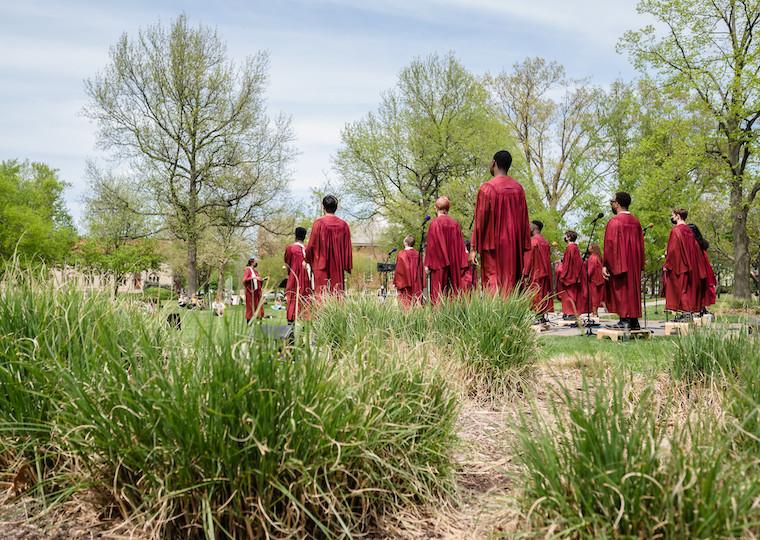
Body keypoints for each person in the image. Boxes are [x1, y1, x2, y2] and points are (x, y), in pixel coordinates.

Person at [470, 150, 531, 296]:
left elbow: (480, 220)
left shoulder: (487, 188)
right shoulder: (518, 189)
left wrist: (474, 247)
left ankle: (496, 318)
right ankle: (511, 317)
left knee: (493, 283)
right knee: (511, 283)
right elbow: (524, 221)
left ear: (494, 163)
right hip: (513, 247)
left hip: (493, 247)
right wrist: (523, 248)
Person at [602, 192, 645, 330]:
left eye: (612, 201)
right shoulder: (636, 222)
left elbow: (610, 245)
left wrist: (605, 265)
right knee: (632, 290)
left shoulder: (615, 221)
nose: (611, 204)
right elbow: (641, 246)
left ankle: (624, 320)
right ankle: (634, 321)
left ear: (618, 203)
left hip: (620, 263)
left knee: (622, 290)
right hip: (634, 264)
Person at [663, 208, 707, 321]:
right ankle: (686, 314)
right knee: (686, 289)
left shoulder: (676, 230)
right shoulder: (689, 230)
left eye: (672, 215)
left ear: (678, 216)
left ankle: (686, 314)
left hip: (680, 264)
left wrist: (667, 264)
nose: (671, 217)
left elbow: (673, 250)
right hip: (692, 264)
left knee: (680, 289)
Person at [305, 195, 352, 298]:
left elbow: (311, 246)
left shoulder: (318, 223)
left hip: (321, 267)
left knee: (322, 296)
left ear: (323, 207)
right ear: (336, 207)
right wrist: (346, 265)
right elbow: (347, 249)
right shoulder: (344, 225)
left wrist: (308, 260)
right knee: (336, 295)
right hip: (337, 268)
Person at [424, 197, 469, 305]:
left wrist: (427, 264)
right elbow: (460, 246)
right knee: (453, 294)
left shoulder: (434, 224)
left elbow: (432, 247)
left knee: (438, 295)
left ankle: (439, 319)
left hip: (439, 265)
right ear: (448, 209)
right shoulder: (455, 224)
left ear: (436, 208)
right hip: (455, 264)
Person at [522, 220, 553, 322]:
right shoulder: (545, 242)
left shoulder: (533, 242)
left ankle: (538, 316)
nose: (528, 228)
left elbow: (528, 259)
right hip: (545, 273)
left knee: (535, 295)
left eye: (529, 226)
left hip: (535, 273)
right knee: (543, 294)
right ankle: (541, 316)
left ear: (535, 228)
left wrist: (525, 273)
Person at [284, 226, 312, 323]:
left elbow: (287, 264)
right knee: (305, 301)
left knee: (292, 300)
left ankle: (291, 333)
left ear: (295, 235)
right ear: (304, 237)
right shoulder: (307, 249)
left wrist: (289, 274)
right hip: (306, 280)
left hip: (294, 278)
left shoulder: (290, 248)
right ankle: (304, 331)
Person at [688, 223, 717, 314]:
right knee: (701, 291)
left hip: (699, 270)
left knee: (697, 290)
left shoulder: (695, 244)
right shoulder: (700, 243)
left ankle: (698, 309)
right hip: (703, 270)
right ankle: (701, 309)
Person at [557, 230, 583, 319]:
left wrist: (563, 274)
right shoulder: (575, 247)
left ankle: (571, 313)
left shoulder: (570, 247)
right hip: (574, 274)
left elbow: (568, 263)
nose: (564, 237)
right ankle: (570, 312)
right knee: (571, 294)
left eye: (565, 236)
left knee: (569, 294)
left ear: (568, 237)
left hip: (570, 275)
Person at [393, 235, 422, 307]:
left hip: (405, 283)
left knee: (406, 303)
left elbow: (399, 270)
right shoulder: (418, 254)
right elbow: (421, 270)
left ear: (405, 243)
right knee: (416, 302)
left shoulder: (402, 254)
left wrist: (396, 282)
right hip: (416, 282)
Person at [583, 243, 605, 316]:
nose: (588, 248)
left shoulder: (592, 258)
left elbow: (591, 269)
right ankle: (595, 312)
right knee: (597, 297)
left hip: (593, 280)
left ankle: (594, 313)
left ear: (592, 248)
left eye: (589, 246)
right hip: (599, 279)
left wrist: (586, 277)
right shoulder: (598, 257)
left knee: (594, 297)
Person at [243, 258, 265, 322]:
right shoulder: (248, 270)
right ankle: (249, 321)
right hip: (251, 292)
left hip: (257, 292)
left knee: (258, 306)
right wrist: (254, 277)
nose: (256, 263)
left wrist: (261, 279)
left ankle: (258, 319)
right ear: (252, 262)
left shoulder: (255, 271)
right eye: (255, 262)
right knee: (251, 307)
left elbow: (257, 280)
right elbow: (245, 279)